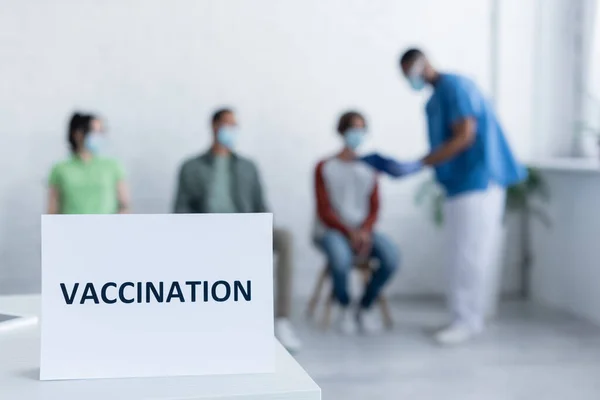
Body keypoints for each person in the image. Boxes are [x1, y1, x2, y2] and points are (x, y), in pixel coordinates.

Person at [362, 48, 526, 345]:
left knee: (470, 253)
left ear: (423, 63)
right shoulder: (434, 101)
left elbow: (465, 136)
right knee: (458, 252)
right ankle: (462, 316)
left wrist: (420, 163)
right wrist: (417, 164)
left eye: (409, 71)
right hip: (457, 184)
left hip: (478, 180)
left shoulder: (457, 87)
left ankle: (468, 320)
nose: (410, 78)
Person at [173, 108, 301, 352]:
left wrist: (261, 229)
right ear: (214, 127)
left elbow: (262, 207)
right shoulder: (191, 167)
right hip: (207, 232)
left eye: (235, 126)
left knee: (284, 238)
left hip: (245, 231)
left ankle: (282, 321)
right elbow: (180, 211)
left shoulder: (248, 167)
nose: (231, 130)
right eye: (227, 125)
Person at [314, 111, 400, 335]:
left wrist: (364, 230)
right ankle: (344, 306)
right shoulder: (324, 167)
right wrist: (348, 231)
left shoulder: (370, 168)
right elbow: (324, 210)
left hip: (364, 231)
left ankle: (365, 306)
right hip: (332, 230)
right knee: (340, 260)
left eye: (362, 128)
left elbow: (374, 206)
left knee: (391, 257)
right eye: (353, 128)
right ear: (342, 131)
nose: (357, 133)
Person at [47, 112, 130, 215]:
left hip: (106, 229)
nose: (99, 136)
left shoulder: (113, 166)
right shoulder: (60, 169)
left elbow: (124, 205)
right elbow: (52, 211)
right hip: (71, 229)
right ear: (77, 134)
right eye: (94, 131)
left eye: (101, 132)